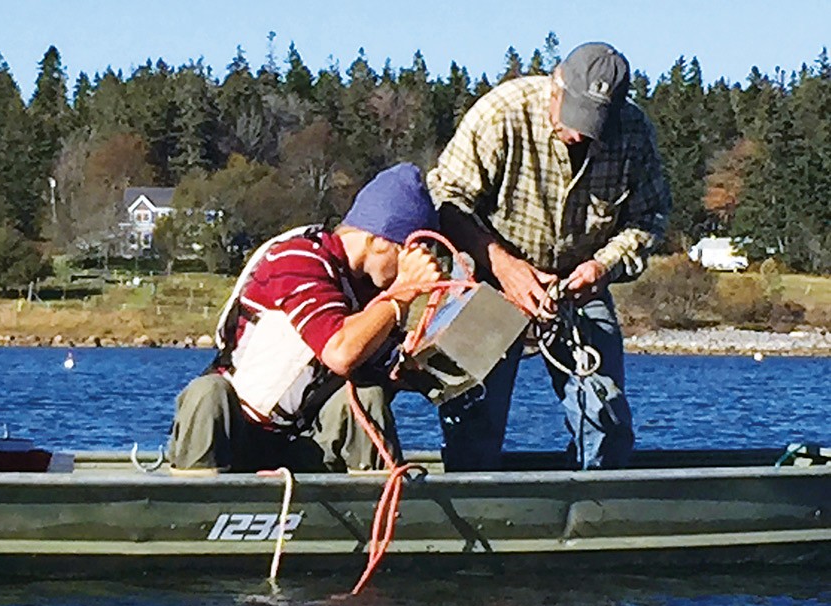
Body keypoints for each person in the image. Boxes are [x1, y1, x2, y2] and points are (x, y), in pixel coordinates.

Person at [426, 42, 671, 470]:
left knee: (605, 419)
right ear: (554, 88)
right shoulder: (501, 113)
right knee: (471, 420)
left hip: (579, 285)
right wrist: (504, 266)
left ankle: (594, 514)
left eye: (593, 126)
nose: (578, 135)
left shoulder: (635, 134)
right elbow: (445, 200)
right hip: (487, 276)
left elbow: (649, 218)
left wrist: (603, 265)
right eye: (573, 119)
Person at [168, 163, 442, 472]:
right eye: (411, 253)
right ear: (379, 241)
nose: (412, 267)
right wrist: (403, 293)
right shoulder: (298, 259)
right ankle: (195, 505)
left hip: (301, 442)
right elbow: (340, 351)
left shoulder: (370, 296)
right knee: (208, 393)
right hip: (235, 433)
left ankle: (381, 509)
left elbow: (388, 368)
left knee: (367, 398)